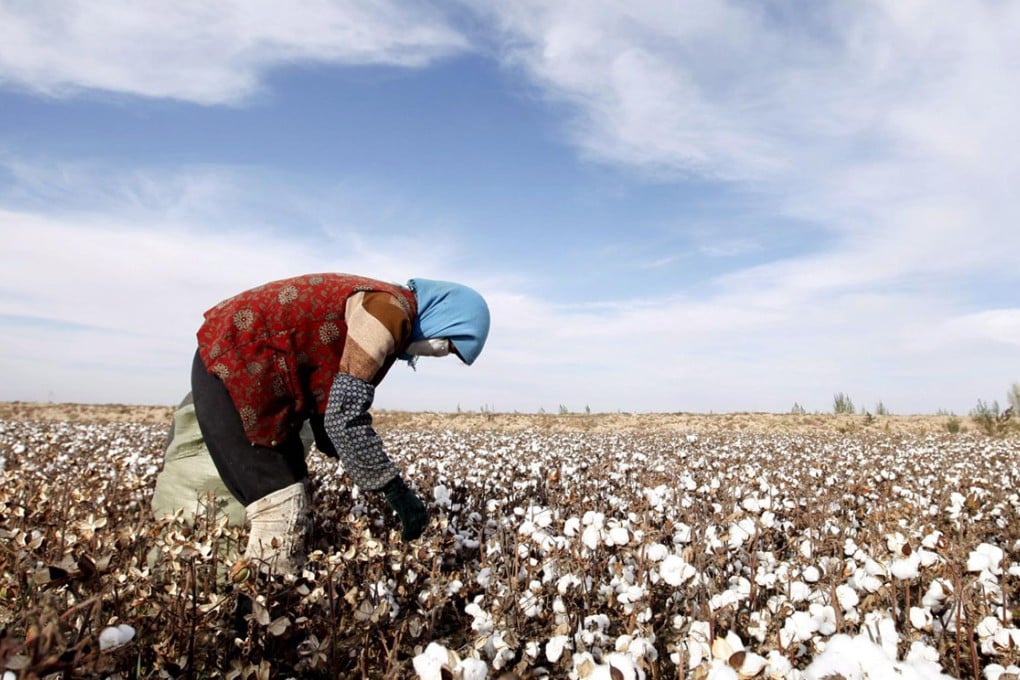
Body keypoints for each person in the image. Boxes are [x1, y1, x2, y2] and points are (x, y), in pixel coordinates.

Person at [153, 273, 490, 575]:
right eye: (449, 345)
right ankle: (254, 627)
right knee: (280, 509)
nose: (440, 352)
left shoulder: (385, 306)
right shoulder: (388, 313)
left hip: (243, 367)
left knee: (285, 491)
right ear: (447, 317)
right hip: (237, 370)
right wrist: (395, 491)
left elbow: (332, 392)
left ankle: (247, 602)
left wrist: (335, 439)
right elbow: (346, 415)